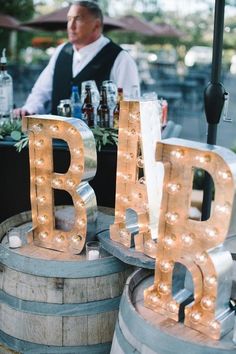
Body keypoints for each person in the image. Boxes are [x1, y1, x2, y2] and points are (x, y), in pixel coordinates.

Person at [14, 0, 140, 117]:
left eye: (78, 20)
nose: (71, 26)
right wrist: (29, 109)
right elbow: (41, 92)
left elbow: (129, 108)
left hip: (96, 139)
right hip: (55, 137)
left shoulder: (120, 59)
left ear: (96, 26)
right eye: (69, 19)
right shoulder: (61, 51)